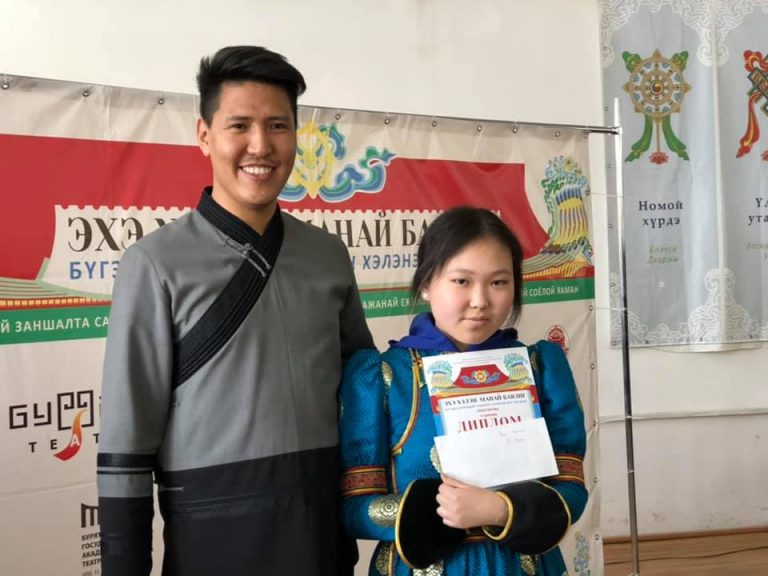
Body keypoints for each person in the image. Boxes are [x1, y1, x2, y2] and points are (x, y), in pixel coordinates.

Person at [97, 46, 374, 576]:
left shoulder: (327, 256)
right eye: (240, 125)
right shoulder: (154, 263)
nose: (261, 146)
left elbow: (363, 390)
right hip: (213, 538)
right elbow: (126, 443)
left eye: (278, 126)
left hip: (320, 533)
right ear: (205, 135)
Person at [339, 207, 587, 575]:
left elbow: (572, 488)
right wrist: (433, 509)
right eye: (461, 281)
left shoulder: (540, 368)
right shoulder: (383, 376)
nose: (480, 300)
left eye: (498, 282)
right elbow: (355, 505)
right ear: (426, 283)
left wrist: (500, 509)